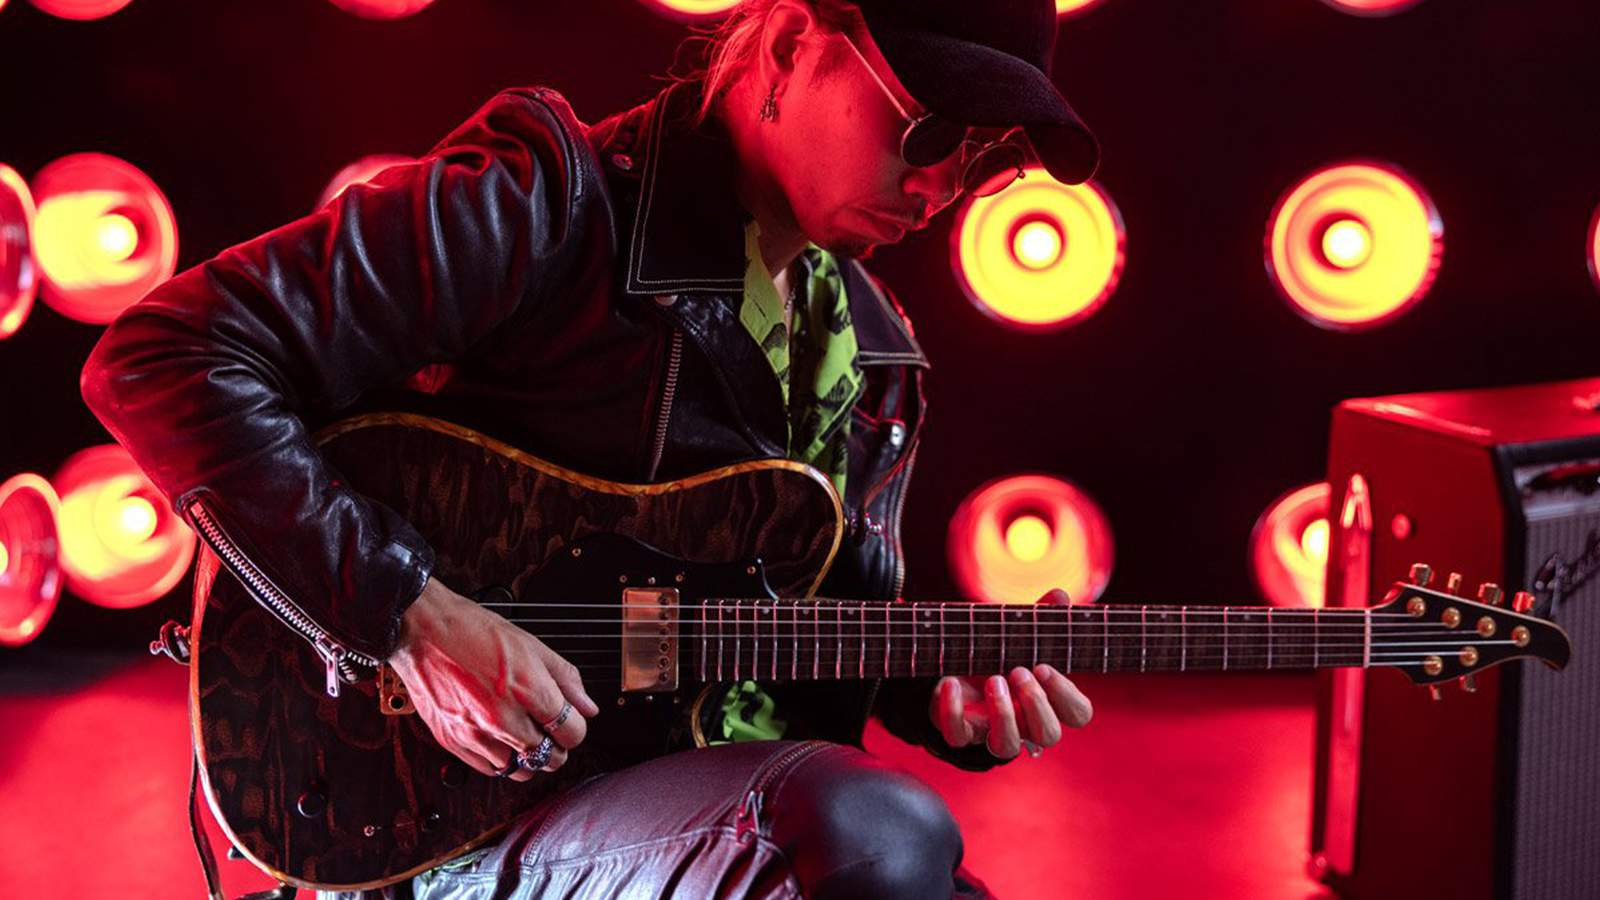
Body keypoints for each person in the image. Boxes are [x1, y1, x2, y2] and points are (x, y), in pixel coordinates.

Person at [80, 1, 1103, 897]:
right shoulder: (547, 201)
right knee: (871, 834)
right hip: (446, 818)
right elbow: (166, 356)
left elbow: (755, 640)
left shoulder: (875, 358)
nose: (941, 185)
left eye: (982, 155)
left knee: (898, 860)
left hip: (712, 822)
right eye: (925, 128)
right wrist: (406, 618)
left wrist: (935, 696)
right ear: (792, 45)